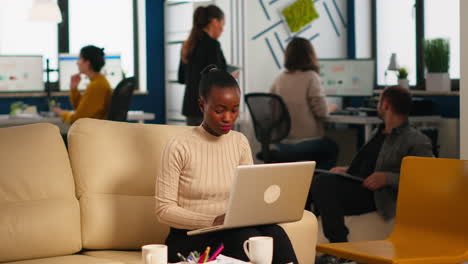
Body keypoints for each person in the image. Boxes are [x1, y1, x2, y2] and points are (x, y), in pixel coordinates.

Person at [156, 65, 298, 264]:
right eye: (220, 110)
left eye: (234, 110)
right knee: (244, 238)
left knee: (274, 233)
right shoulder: (179, 146)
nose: (228, 118)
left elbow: (249, 196)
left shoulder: (239, 142)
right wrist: (213, 221)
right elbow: (164, 210)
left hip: (233, 229)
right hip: (189, 239)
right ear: (201, 106)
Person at [311, 86, 433, 264]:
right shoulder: (380, 132)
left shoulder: (416, 140)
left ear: (386, 105)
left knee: (323, 183)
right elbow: (368, 164)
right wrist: (345, 170)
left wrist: (386, 178)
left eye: (379, 101)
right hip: (357, 183)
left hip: (379, 195)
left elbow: (424, 178)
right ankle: (300, 246)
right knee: (311, 178)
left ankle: (342, 250)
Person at [270, 37, 338, 169]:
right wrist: (330, 108)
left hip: (282, 143)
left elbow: (272, 112)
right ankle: (316, 185)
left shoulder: (279, 79)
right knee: (332, 147)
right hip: (306, 142)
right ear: (310, 56)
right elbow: (322, 113)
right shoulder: (311, 77)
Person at [178, 5, 234, 126]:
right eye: (222, 25)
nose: (222, 29)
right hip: (208, 108)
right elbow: (216, 79)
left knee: (193, 144)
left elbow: (181, 78)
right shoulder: (212, 45)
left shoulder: (187, 45)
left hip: (191, 109)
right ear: (214, 22)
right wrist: (230, 78)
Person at [53, 45, 112, 124]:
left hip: (94, 131)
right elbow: (81, 110)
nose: (77, 63)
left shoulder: (97, 86)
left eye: (79, 59)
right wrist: (74, 89)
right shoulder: (98, 82)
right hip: (95, 129)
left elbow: (77, 119)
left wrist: (61, 113)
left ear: (87, 63)